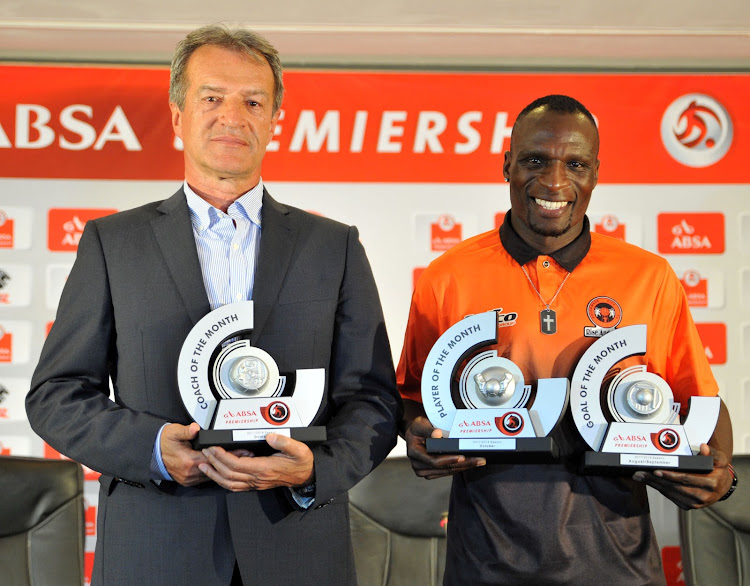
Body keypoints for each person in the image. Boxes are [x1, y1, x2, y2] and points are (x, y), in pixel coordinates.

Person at [27, 24, 401, 585]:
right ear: (177, 116)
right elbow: (56, 396)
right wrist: (152, 448)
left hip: (296, 550)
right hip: (155, 551)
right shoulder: (114, 244)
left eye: (253, 101)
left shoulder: (335, 247)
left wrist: (312, 471)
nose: (233, 115)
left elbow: (371, 398)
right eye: (211, 98)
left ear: (275, 121)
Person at [397, 94, 735, 585]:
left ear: (595, 173)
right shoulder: (448, 277)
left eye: (575, 164)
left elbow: (701, 401)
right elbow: (414, 400)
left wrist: (721, 474)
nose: (555, 182)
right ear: (507, 165)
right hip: (485, 565)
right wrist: (419, 439)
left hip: (620, 566)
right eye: (536, 160)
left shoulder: (649, 276)